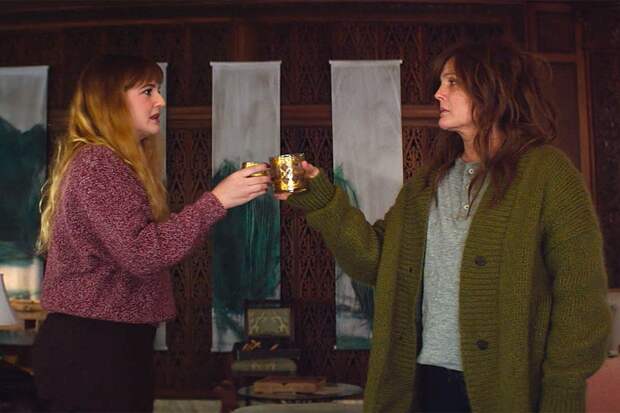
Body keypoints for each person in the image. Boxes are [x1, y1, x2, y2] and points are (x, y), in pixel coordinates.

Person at [277, 38, 611, 412]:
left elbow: (581, 297)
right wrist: (321, 199)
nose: (438, 93)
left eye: (453, 82)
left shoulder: (547, 174)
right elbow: (376, 261)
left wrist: (563, 392)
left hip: (510, 389)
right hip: (426, 385)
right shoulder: (427, 184)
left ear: (492, 88)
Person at [33, 54, 271, 412]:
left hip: (102, 343)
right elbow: (143, 253)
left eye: (157, 90)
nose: (160, 101)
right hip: (94, 348)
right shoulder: (99, 163)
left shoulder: (105, 162)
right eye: (147, 91)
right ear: (110, 100)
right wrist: (217, 201)